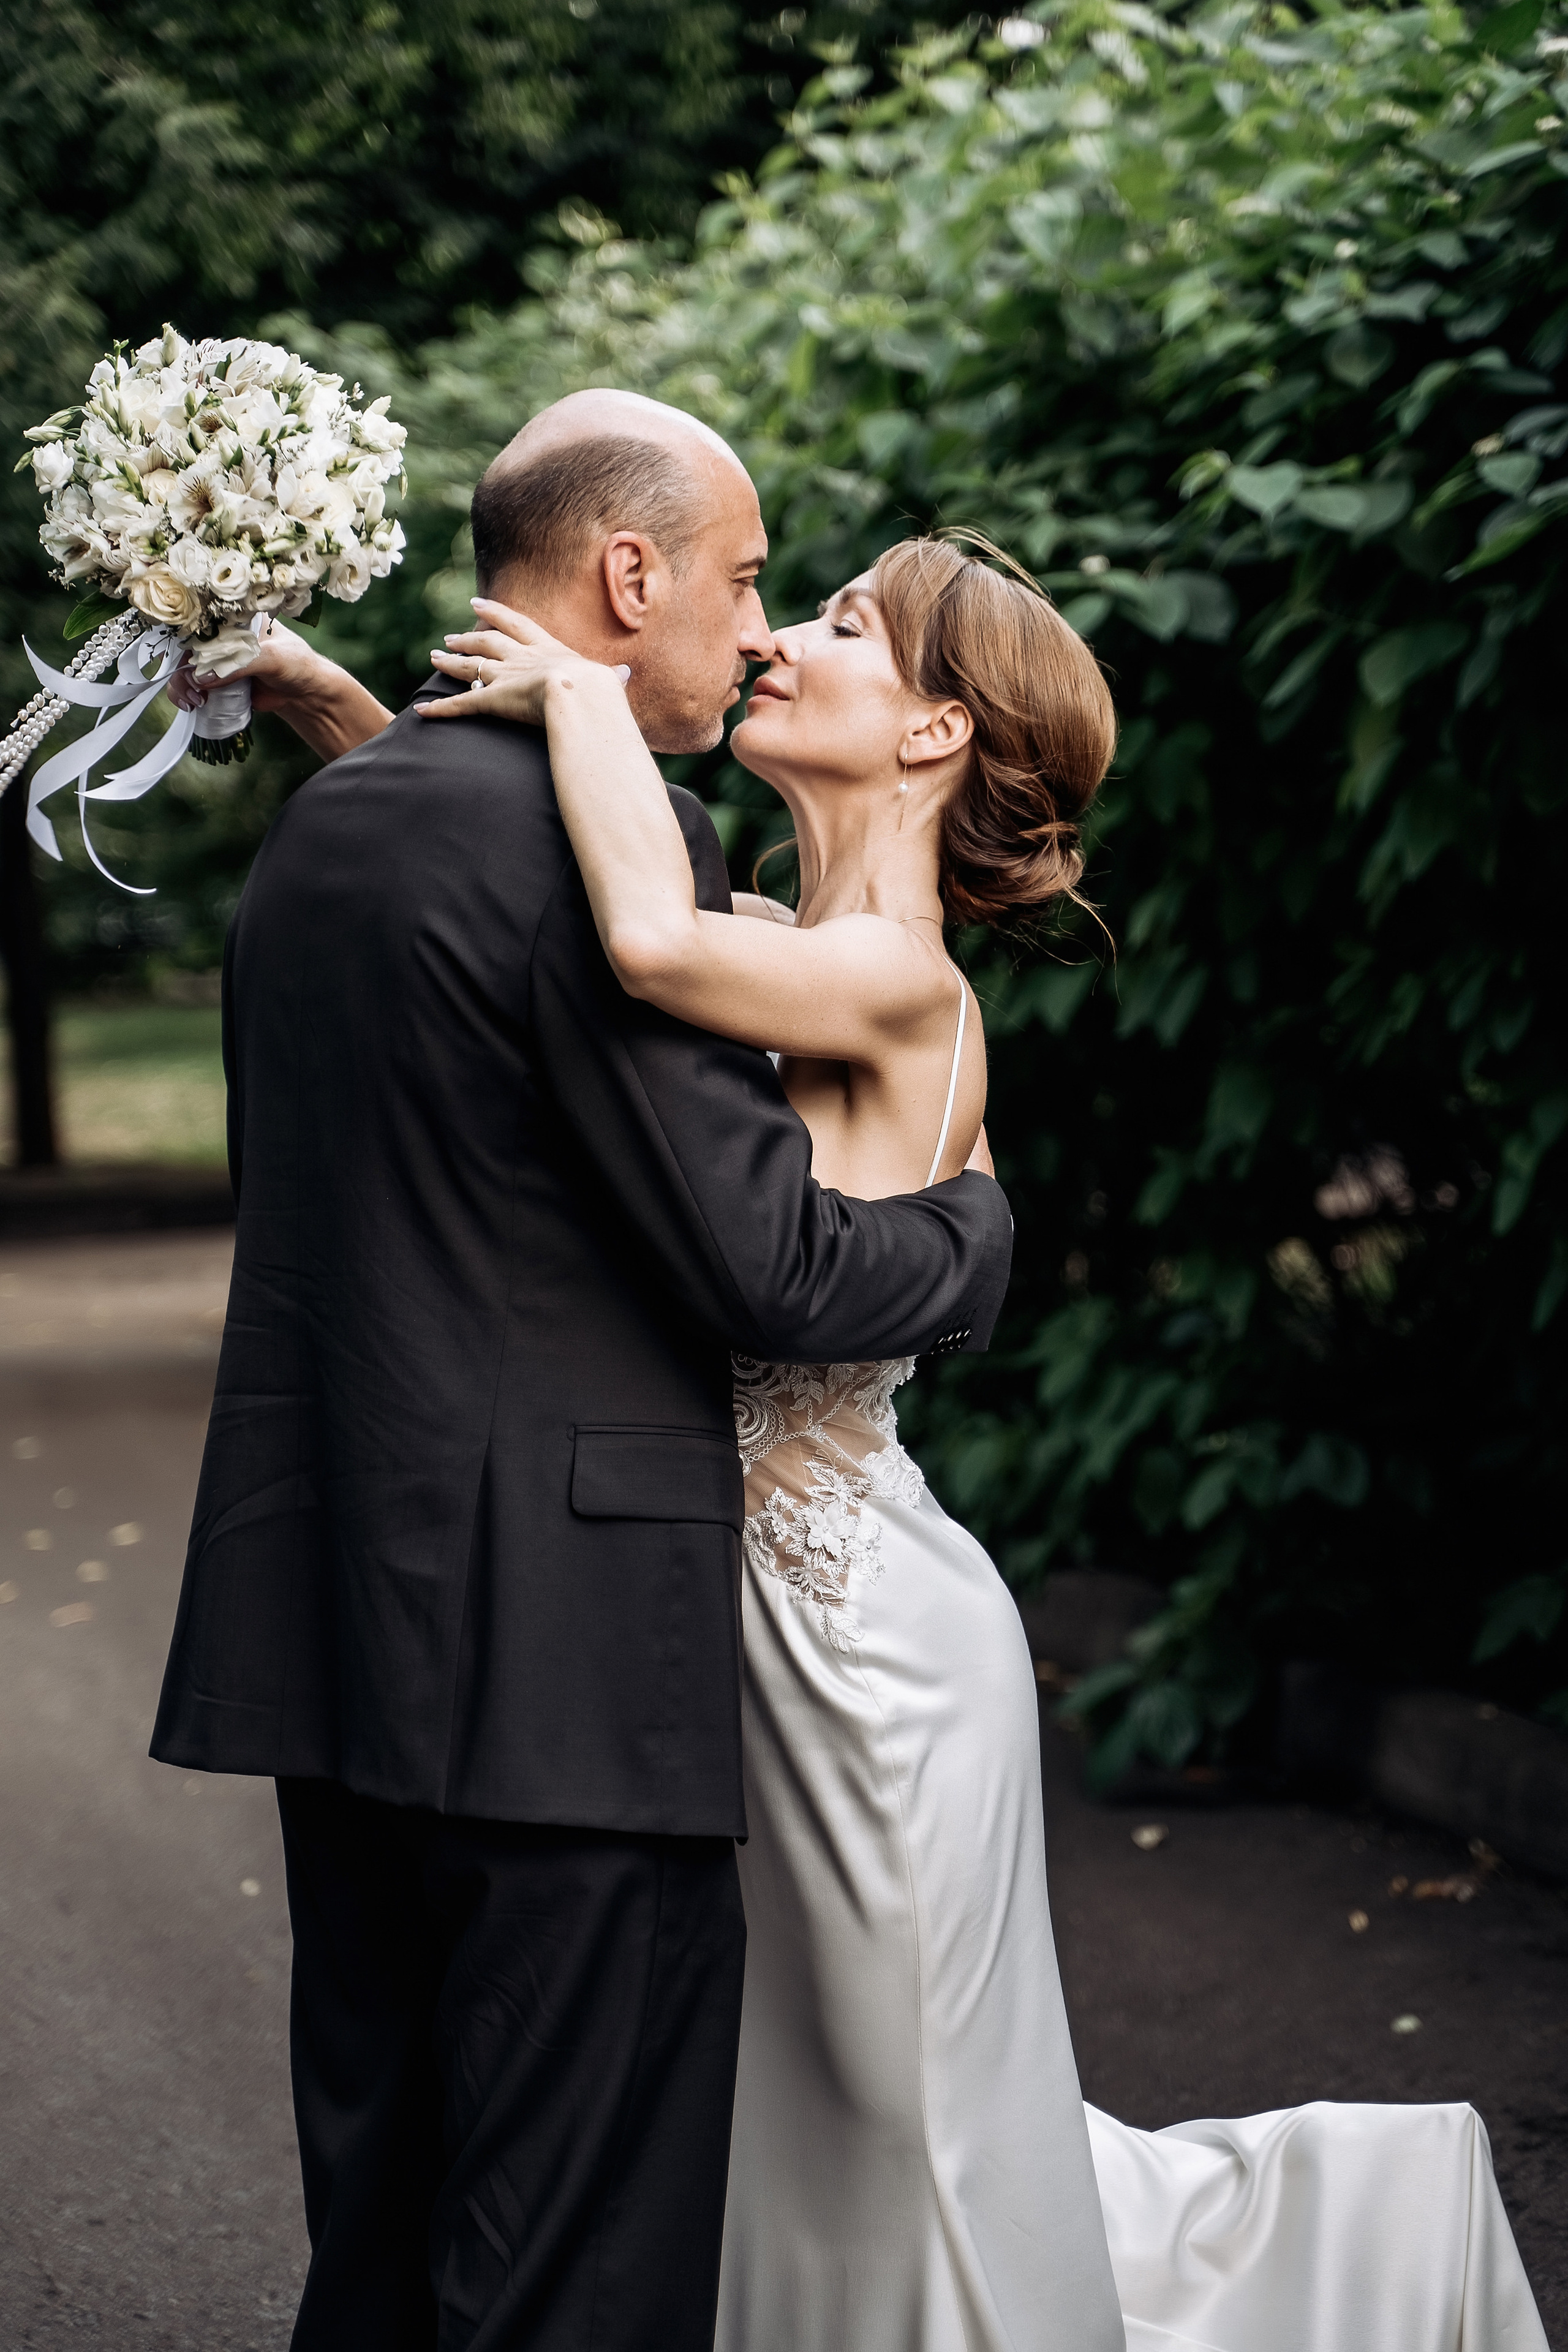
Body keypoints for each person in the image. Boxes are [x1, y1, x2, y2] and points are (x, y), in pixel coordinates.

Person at [413, 529, 1551, 2352]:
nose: (780, 638)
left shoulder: (901, 983)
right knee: (803, 2106)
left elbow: (635, 936)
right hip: (758, 1620)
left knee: (902, 2120)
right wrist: (335, 710)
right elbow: (532, 920)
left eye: (841, 622)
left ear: (935, 729)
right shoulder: (786, 941)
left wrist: (579, 696)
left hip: (866, 1651)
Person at [149, 391, 1017, 2352]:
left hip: (334, 1621)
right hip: (558, 1661)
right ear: (630, 577)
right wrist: (975, 1237)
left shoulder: (335, 830)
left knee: (385, 2212)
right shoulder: (618, 845)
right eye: (749, 580)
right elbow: (764, 1258)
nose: (761, 626)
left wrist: (342, 710)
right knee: (575, 2252)